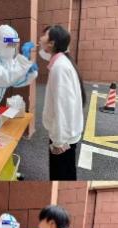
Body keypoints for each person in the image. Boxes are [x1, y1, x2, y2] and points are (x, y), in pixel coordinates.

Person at [39, 25, 85, 180]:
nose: (40, 38)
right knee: (66, 172)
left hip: (63, 138)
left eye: (44, 36)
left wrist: (59, 142)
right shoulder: (63, 61)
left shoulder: (59, 68)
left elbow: (63, 107)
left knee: (62, 175)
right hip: (67, 134)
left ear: (52, 43)